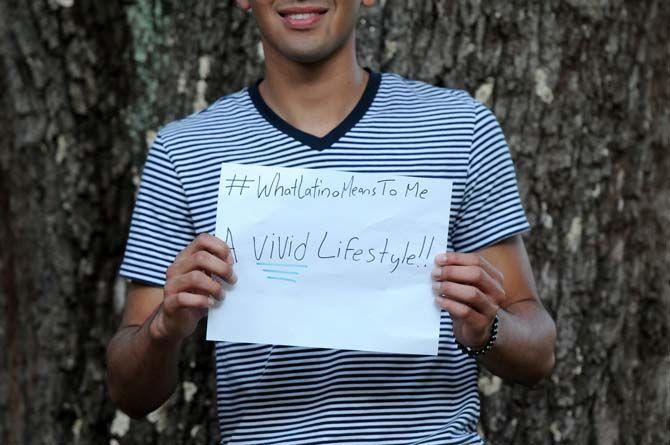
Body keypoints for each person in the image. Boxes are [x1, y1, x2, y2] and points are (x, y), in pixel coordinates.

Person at [106, 1, 556, 443]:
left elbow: (538, 352)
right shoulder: (185, 153)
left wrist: (488, 327)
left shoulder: (460, 129)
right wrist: (164, 329)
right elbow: (130, 391)